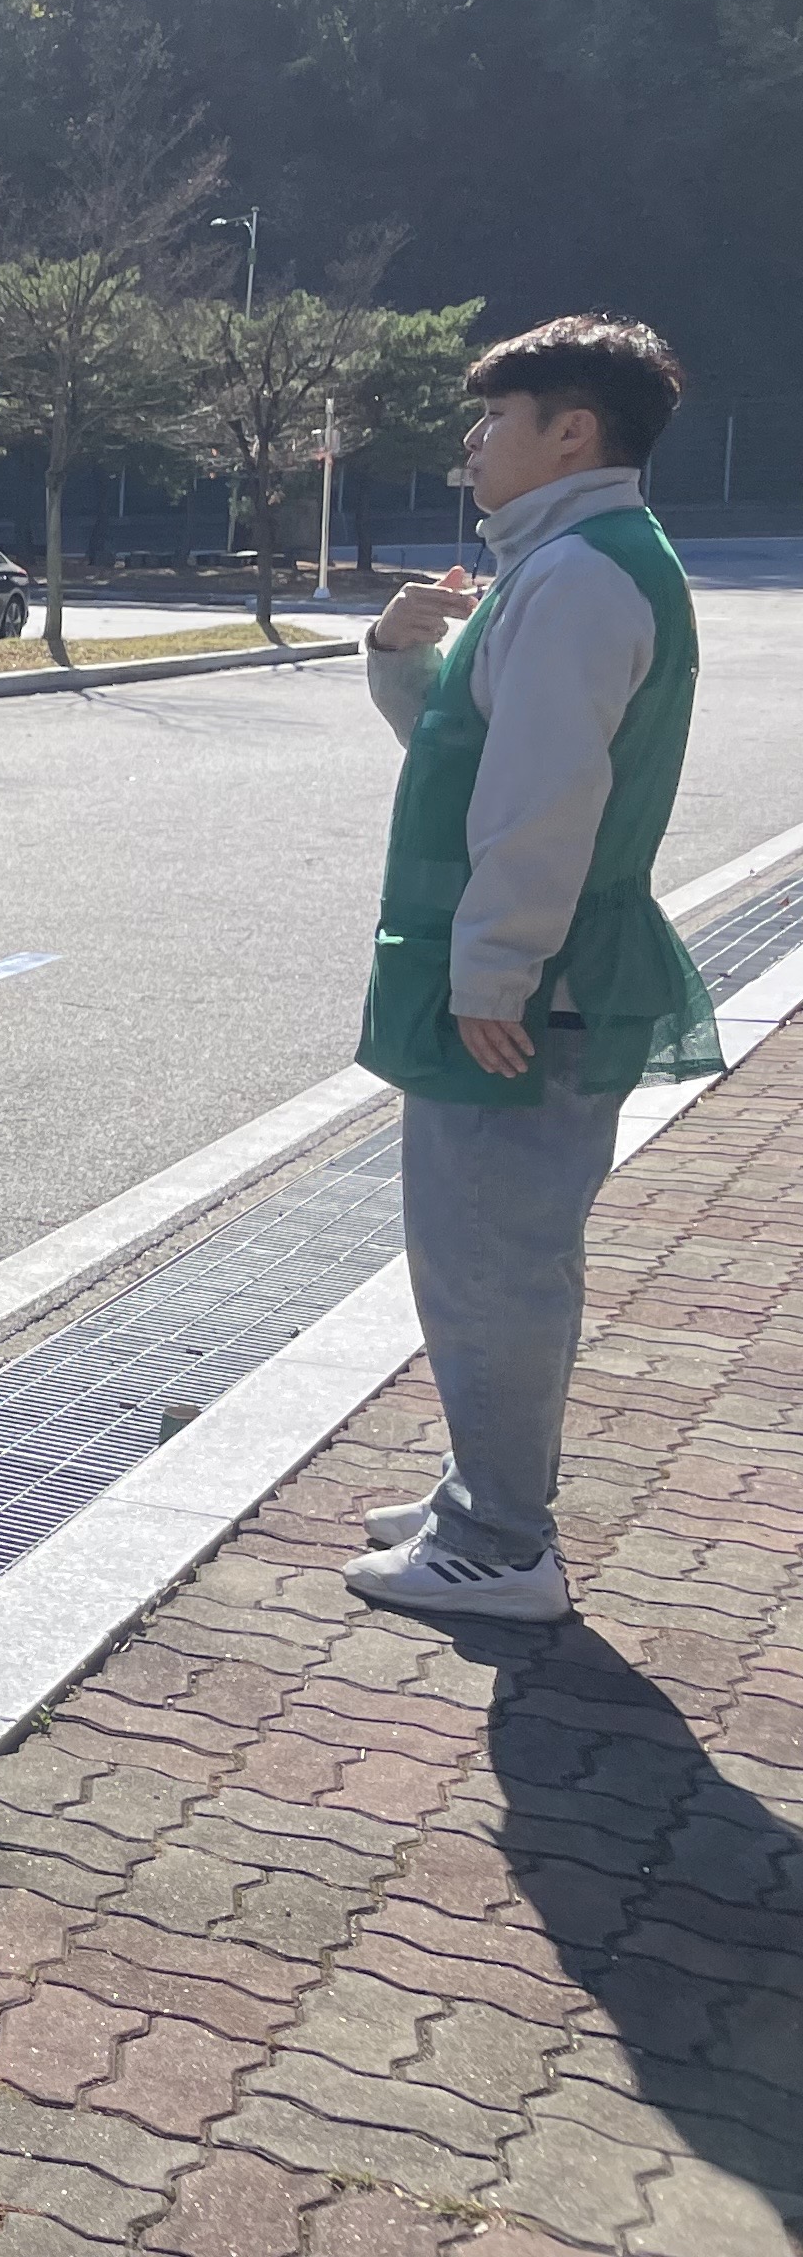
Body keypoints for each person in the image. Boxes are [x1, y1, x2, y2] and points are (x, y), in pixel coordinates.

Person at [348, 318, 715, 1625]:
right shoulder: (566, 562)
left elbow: (544, 797)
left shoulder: (577, 575)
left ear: (572, 433)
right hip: (543, 973)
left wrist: (493, 971)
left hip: (534, 987)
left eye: (493, 418)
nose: (470, 441)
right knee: (495, 1253)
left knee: (491, 1264)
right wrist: (399, 654)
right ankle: (483, 1492)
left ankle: (499, 1544)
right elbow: (471, 752)